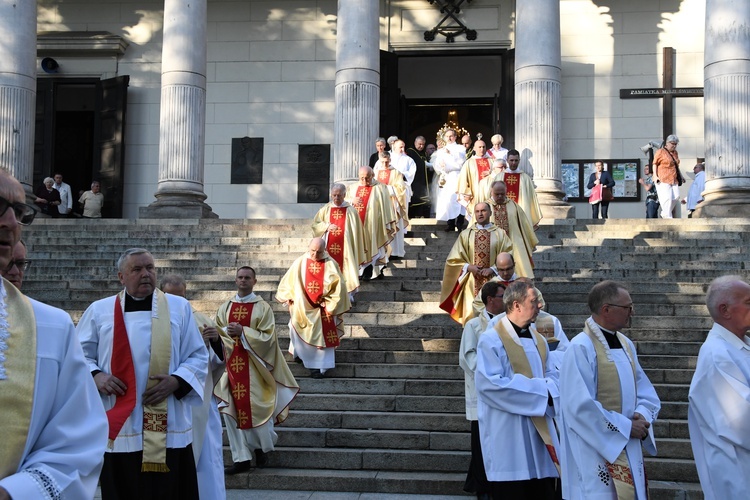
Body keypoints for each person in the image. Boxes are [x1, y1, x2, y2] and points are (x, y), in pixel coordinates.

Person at [0, 169, 108, 500]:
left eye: (18, 212)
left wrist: (12, 492)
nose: (8, 221)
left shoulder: (51, 327)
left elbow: (77, 444)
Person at [77, 248, 208, 500]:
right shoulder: (99, 310)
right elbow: (76, 356)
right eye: (136, 269)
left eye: (150, 268)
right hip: (120, 421)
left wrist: (177, 380)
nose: (145, 274)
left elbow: (198, 354)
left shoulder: (179, 307)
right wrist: (96, 376)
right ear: (121, 277)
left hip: (168, 419)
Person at [559, 280, 661, 500]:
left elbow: (644, 389)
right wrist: (625, 427)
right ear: (606, 309)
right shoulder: (580, 347)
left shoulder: (626, 344)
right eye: (627, 307)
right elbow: (579, 406)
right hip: (596, 449)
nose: (632, 313)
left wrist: (642, 415)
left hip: (629, 441)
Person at [475, 280, 561, 499]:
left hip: (541, 438)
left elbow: (554, 374)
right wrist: (542, 391)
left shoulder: (540, 340)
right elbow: (490, 385)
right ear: (516, 305)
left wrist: (548, 389)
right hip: (508, 437)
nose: (540, 306)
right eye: (534, 301)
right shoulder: (491, 339)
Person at [214, 267, 299, 474]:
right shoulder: (225, 307)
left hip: (255, 369)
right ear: (235, 280)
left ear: (255, 281)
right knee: (230, 412)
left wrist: (243, 331)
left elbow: (269, 338)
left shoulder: (262, 308)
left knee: (258, 408)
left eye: (247, 278)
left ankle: (261, 447)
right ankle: (241, 458)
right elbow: (216, 332)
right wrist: (226, 331)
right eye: (240, 277)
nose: (243, 280)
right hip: (230, 369)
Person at [159, 275, 225, 499]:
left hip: (200, 401)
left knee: (207, 459)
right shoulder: (149, 320)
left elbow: (216, 363)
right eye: (171, 295)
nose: (177, 301)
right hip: (163, 401)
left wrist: (215, 342)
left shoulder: (200, 319)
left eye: (181, 296)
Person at [688, 276, 750, 499]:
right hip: (738, 471)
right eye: (749, 302)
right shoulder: (718, 355)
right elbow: (741, 418)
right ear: (725, 310)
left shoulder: (740, 346)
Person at [276, 238, 351, 378]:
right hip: (302, 307)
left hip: (323, 309)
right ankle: (300, 355)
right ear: (308, 247)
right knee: (294, 328)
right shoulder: (300, 262)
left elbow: (339, 288)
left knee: (322, 337)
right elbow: (288, 281)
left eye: (319, 252)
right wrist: (287, 296)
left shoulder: (330, 264)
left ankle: (318, 367)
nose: (315, 255)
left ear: (324, 250)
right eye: (312, 251)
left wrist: (330, 302)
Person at [459, 281, 507, 498]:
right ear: (490, 300)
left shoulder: (508, 324)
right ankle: (482, 487)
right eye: (502, 296)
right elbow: (467, 358)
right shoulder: (473, 326)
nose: (506, 301)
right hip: (482, 392)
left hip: (504, 392)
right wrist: (493, 368)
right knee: (480, 445)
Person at [439, 202, 513, 326]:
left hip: (495, 281)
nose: (480, 214)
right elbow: (453, 259)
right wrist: (469, 267)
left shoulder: (500, 234)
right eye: (477, 211)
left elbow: (508, 254)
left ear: (490, 213)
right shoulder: (466, 234)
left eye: (483, 211)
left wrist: (493, 269)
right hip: (471, 282)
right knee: (471, 318)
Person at [312, 183, 367, 301]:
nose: (336, 198)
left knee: (346, 268)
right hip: (328, 247)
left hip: (346, 250)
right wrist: (326, 226)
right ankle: (329, 293)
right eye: (334, 195)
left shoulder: (351, 211)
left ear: (344, 195)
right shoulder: (325, 209)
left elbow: (358, 232)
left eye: (339, 195)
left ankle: (347, 295)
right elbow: (315, 225)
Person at [346, 166, 396, 281]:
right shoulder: (353, 188)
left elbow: (386, 208)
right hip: (356, 225)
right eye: (361, 178)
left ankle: (372, 270)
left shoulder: (380, 188)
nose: (364, 181)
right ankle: (359, 272)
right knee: (357, 246)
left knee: (374, 245)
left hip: (374, 224)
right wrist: (351, 201)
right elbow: (344, 203)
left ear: (372, 175)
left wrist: (384, 222)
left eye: (367, 178)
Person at [486, 181, 538, 278]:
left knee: (522, 276)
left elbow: (524, 226)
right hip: (491, 247)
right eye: (497, 194)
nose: (500, 196)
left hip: (514, 245)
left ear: (506, 192)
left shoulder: (514, 206)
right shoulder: (485, 207)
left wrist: (529, 241)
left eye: (502, 194)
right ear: (491, 192)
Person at [491, 149, 542, 228]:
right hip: (502, 213)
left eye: (516, 160)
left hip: (520, 213)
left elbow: (531, 198)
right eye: (511, 160)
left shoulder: (525, 178)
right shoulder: (499, 177)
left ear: (519, 161)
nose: (513, 163)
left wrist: (532, 217)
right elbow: (492, 196)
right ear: (507, 160)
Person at [374, 152, 409, 259]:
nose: (385, 164)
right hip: (379, 205)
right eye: (383, 162)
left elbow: (401, 189)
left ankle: (395, 252)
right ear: (379, 161)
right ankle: (381, 253)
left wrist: (388, 189)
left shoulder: (396, 173)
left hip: (392, 204)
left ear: (390, 160)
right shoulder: (375, 173)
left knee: (393, 227)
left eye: (387, 162)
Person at [433, 129, 467, 232]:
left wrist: (451, 154)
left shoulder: (460, 148)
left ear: (455, 137)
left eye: (451, 136)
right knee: (448, 201)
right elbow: (436, 164)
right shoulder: (441, 150)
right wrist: (440, 166)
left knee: (459, 200)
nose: (449, 138)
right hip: (447, 177)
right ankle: (450, 223)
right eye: (447, 136)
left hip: (457, 176)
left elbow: (461, 162)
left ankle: (460, 223)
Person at [457, 139, 492, 219]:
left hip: (489, 196)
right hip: (475, 196)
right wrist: (466, 193)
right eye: (479, 147)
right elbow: (463, 179)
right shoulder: (469, 163)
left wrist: (491, 173)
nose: (482, 149)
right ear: (474, 148)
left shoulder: (492, 161)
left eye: (484, 147)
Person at [652, 134, 681, 219]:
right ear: (667, 143)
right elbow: (654, 163)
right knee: (666, 198)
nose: (674, 146)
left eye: (676, 144)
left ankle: (665, 212)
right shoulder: (660, 151)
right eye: (672, 143)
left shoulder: (675, 153)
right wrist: (655, 175)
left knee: (676, 196)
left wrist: (681, 175)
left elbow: (676, 165)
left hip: (673, 178)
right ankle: (668, 216)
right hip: (663, 177)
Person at [406, 135, 432, 219]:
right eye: (419, 144)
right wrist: (425, 164)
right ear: (415, 143)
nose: (421, 146)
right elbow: (417, 164)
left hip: (424, 180)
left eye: (423, 145)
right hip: (416, 180)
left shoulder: (423, 153)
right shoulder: (410, 152)